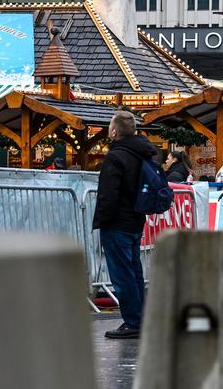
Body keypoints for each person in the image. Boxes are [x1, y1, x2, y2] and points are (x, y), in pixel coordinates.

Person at [93, 111, 156, 339]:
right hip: (136, 220)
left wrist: (103, 220)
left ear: (114, 131)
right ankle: (140, 317)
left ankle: (132, 321)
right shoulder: (143, 154)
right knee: (135, 271)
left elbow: (108, 194)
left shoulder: (115, 157)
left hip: (117, 223)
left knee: (122, 275)